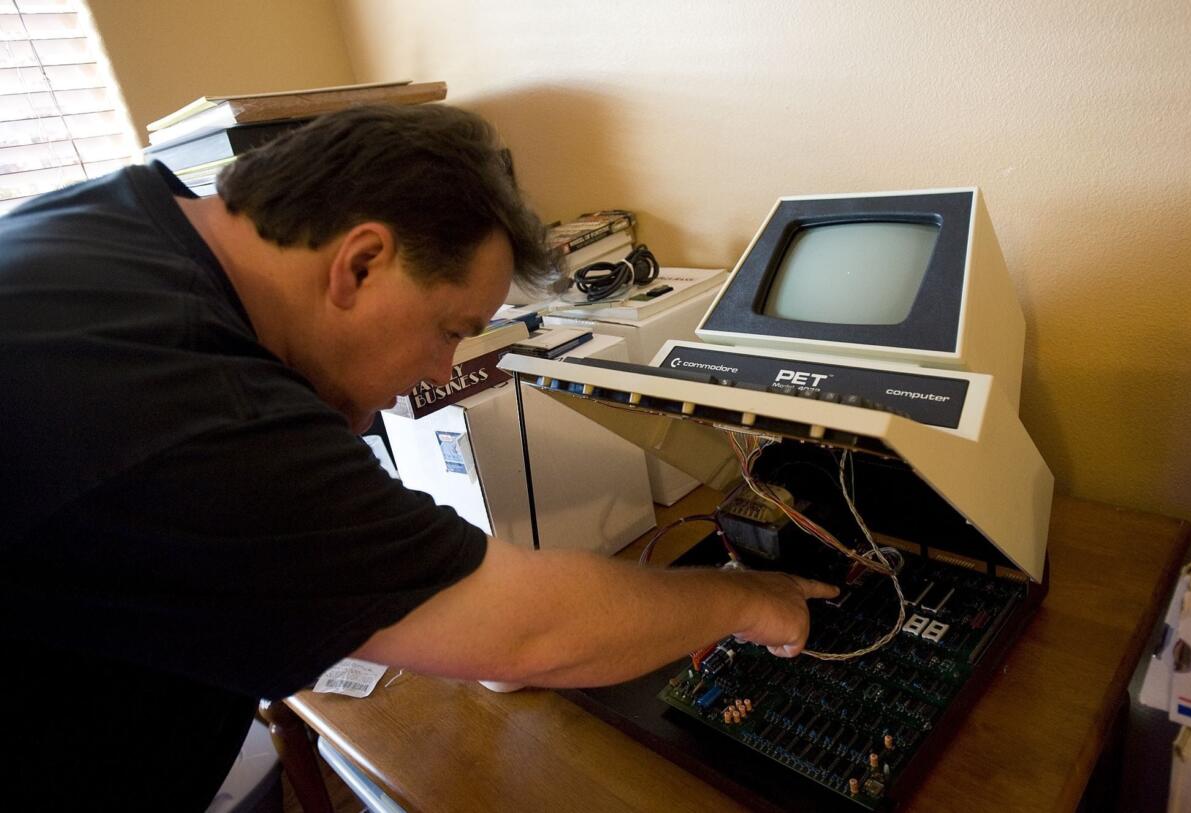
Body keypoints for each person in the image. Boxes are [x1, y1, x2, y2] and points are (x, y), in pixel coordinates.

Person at [0, 103, 836, 809]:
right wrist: (751, 599)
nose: (439, 376)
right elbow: (531, 633)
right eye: (452, 331)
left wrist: (449, 616)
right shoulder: (197, 406)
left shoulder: (107, 219)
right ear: (360, 262)